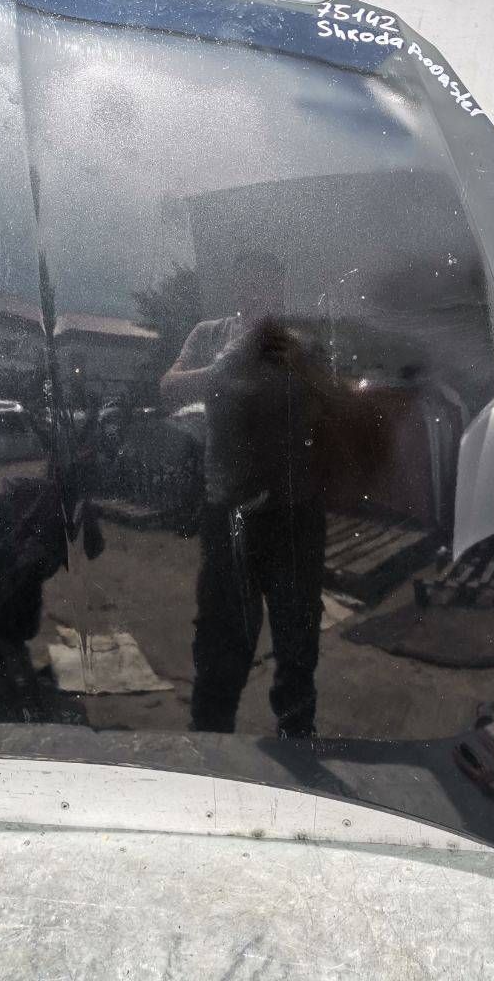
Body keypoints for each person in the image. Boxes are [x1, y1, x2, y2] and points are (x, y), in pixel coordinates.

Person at [160, 251, 330, 738]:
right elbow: (168, 387)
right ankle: (212, 742)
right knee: (221, 641)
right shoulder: (210, 336)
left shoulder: (300, 344)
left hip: (293, 512)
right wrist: (222, 371)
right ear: (237, 290)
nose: (260, 295)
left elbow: (328, 407)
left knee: (297, 641)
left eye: (270, 285)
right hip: (228, 512)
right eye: (251, 284)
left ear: (280, 292)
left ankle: (297, 739)